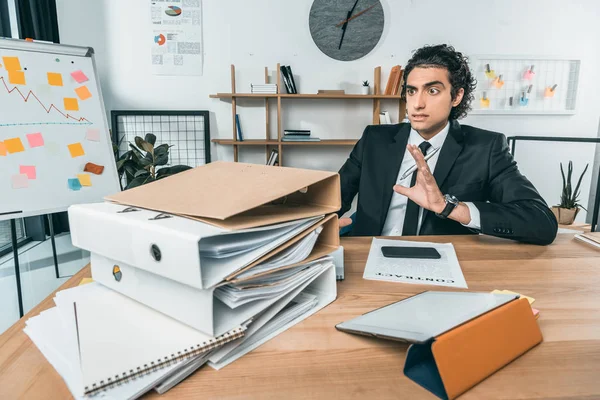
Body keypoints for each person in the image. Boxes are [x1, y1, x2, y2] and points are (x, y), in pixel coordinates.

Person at [337, 44, 558, 245]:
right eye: (411, 91)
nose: (417, 103)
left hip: (442, 262)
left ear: (456, 96)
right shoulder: (374, 139)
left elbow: (541, 221)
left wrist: (449, 207)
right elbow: (335, 199)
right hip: (367, 254)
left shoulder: (486, 148)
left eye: (432, 91)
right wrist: (313, 226)